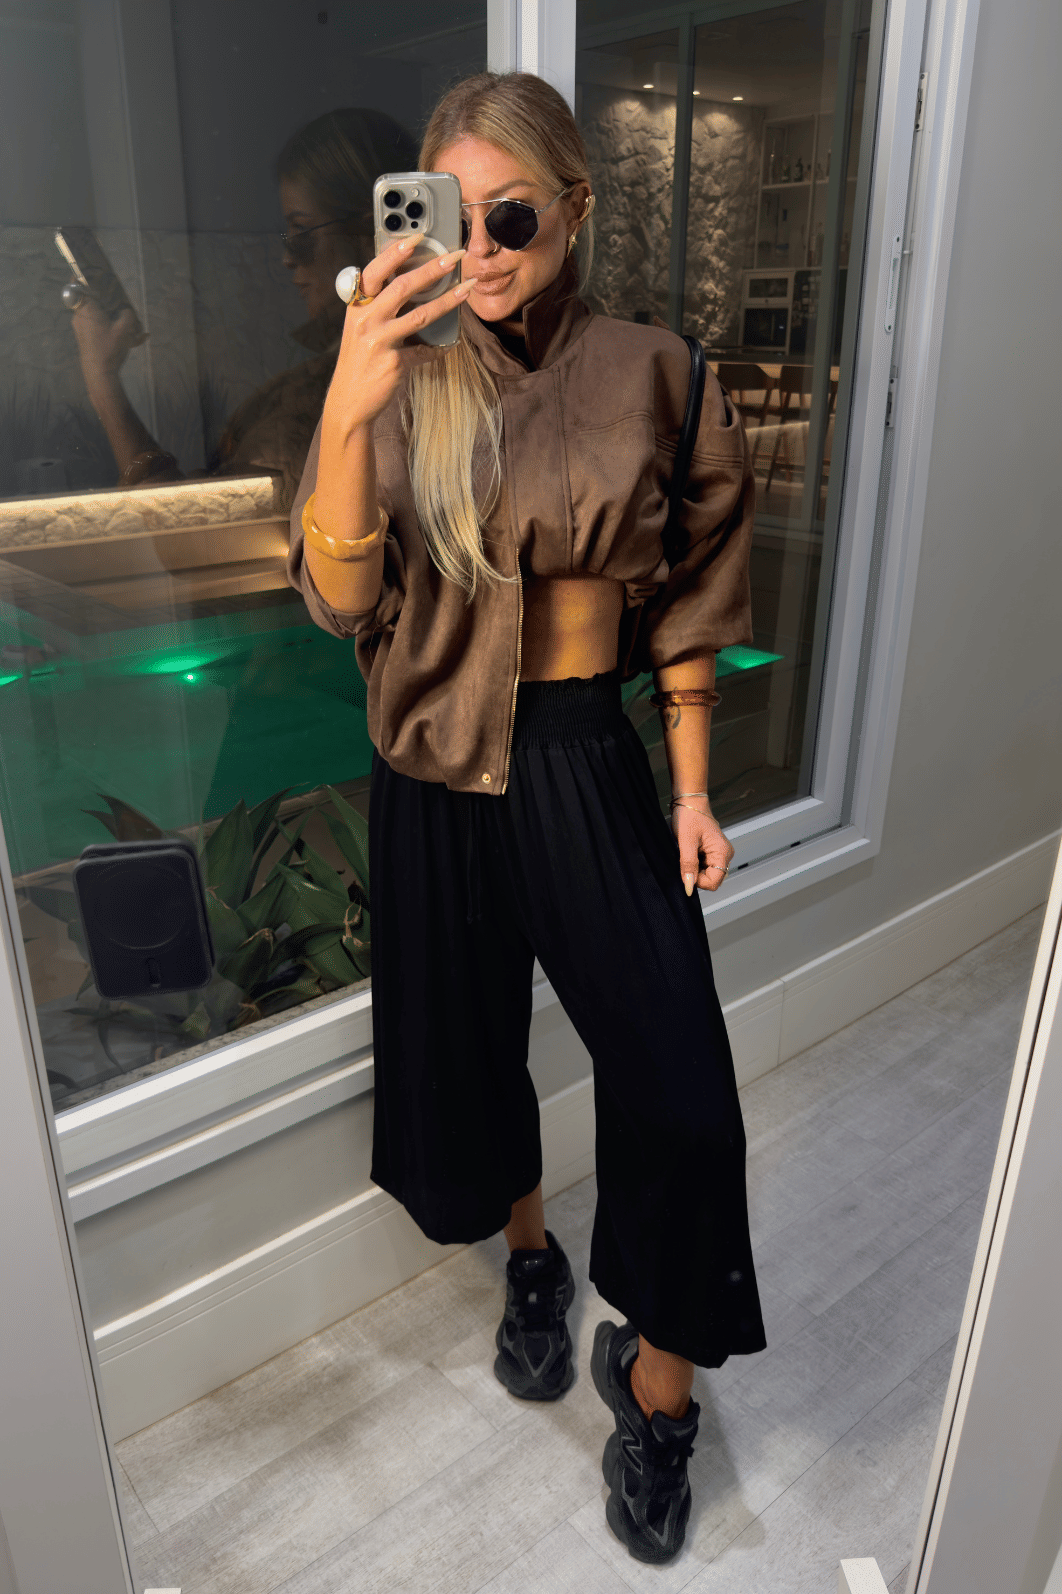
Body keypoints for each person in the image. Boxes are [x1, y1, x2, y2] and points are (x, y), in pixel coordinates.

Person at [287, 71, 766, 1566]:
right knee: (467, 1057)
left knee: (682, 1090)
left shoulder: (657, 370)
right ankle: (533, 1257)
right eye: (454, 217)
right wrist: (351, 398)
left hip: (578, 757)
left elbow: (691, 594)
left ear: (575, 207)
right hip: (434, 769)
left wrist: (689, 786)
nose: (483, 250)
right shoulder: (399, 374)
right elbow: (339, 600)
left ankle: (660, 1393)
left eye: (513, 217)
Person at [69, 108, 416, 511]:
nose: (287, 258)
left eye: (302, 233)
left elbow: (191, 530)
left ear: (370, 236)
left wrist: (101, 379)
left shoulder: (341, 395)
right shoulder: (334, 377)